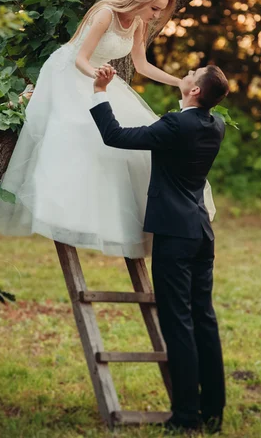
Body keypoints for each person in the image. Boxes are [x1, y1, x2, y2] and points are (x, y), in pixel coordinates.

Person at [0, 0, 216, 258]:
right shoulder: (105, 13)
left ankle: (114, 215)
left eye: (159, 10)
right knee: (81, 130)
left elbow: (141, 65)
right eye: (154, 8)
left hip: (100, 77)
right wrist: (98, 78)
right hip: (71, 72)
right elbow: (80, 58)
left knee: (135, 130)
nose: (156, 15)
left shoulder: (138, 24)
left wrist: (178, 82)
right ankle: (63, 209)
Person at [90, 63, 229, 434]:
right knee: (204, 319)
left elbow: (115, 135)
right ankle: (213, 412)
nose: (187, 72)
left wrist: (101, 91)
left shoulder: (175, 124)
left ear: (196, 91)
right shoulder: (215, 125)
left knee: (178, 323)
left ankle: (186, 416)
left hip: (174, 235)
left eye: (193, 72)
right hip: (201, 231)